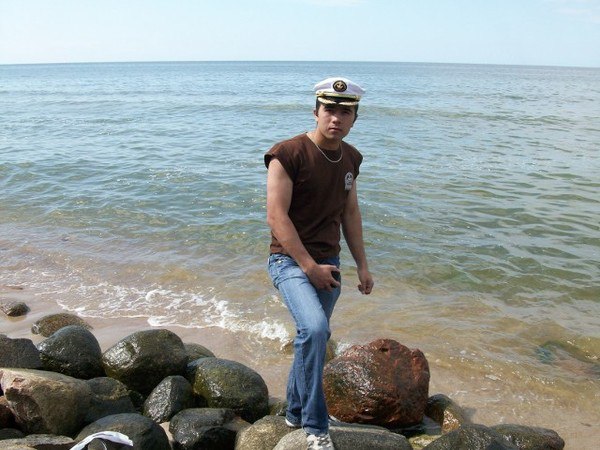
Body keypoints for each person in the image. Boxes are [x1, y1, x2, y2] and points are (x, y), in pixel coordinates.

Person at [265, 77, 374, 450]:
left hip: (330, 264)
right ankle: (316, 427)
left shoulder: (351, 158)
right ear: (316, 111)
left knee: (310, 339)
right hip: (288, 261)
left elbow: (350, 212)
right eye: (329, 110)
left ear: (354, 119)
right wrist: (309, 267)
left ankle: (295, 411)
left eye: (345, 112)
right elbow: (276, 216)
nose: (336, 118)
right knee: (314, 331)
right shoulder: (287, 154)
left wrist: (362, 265)